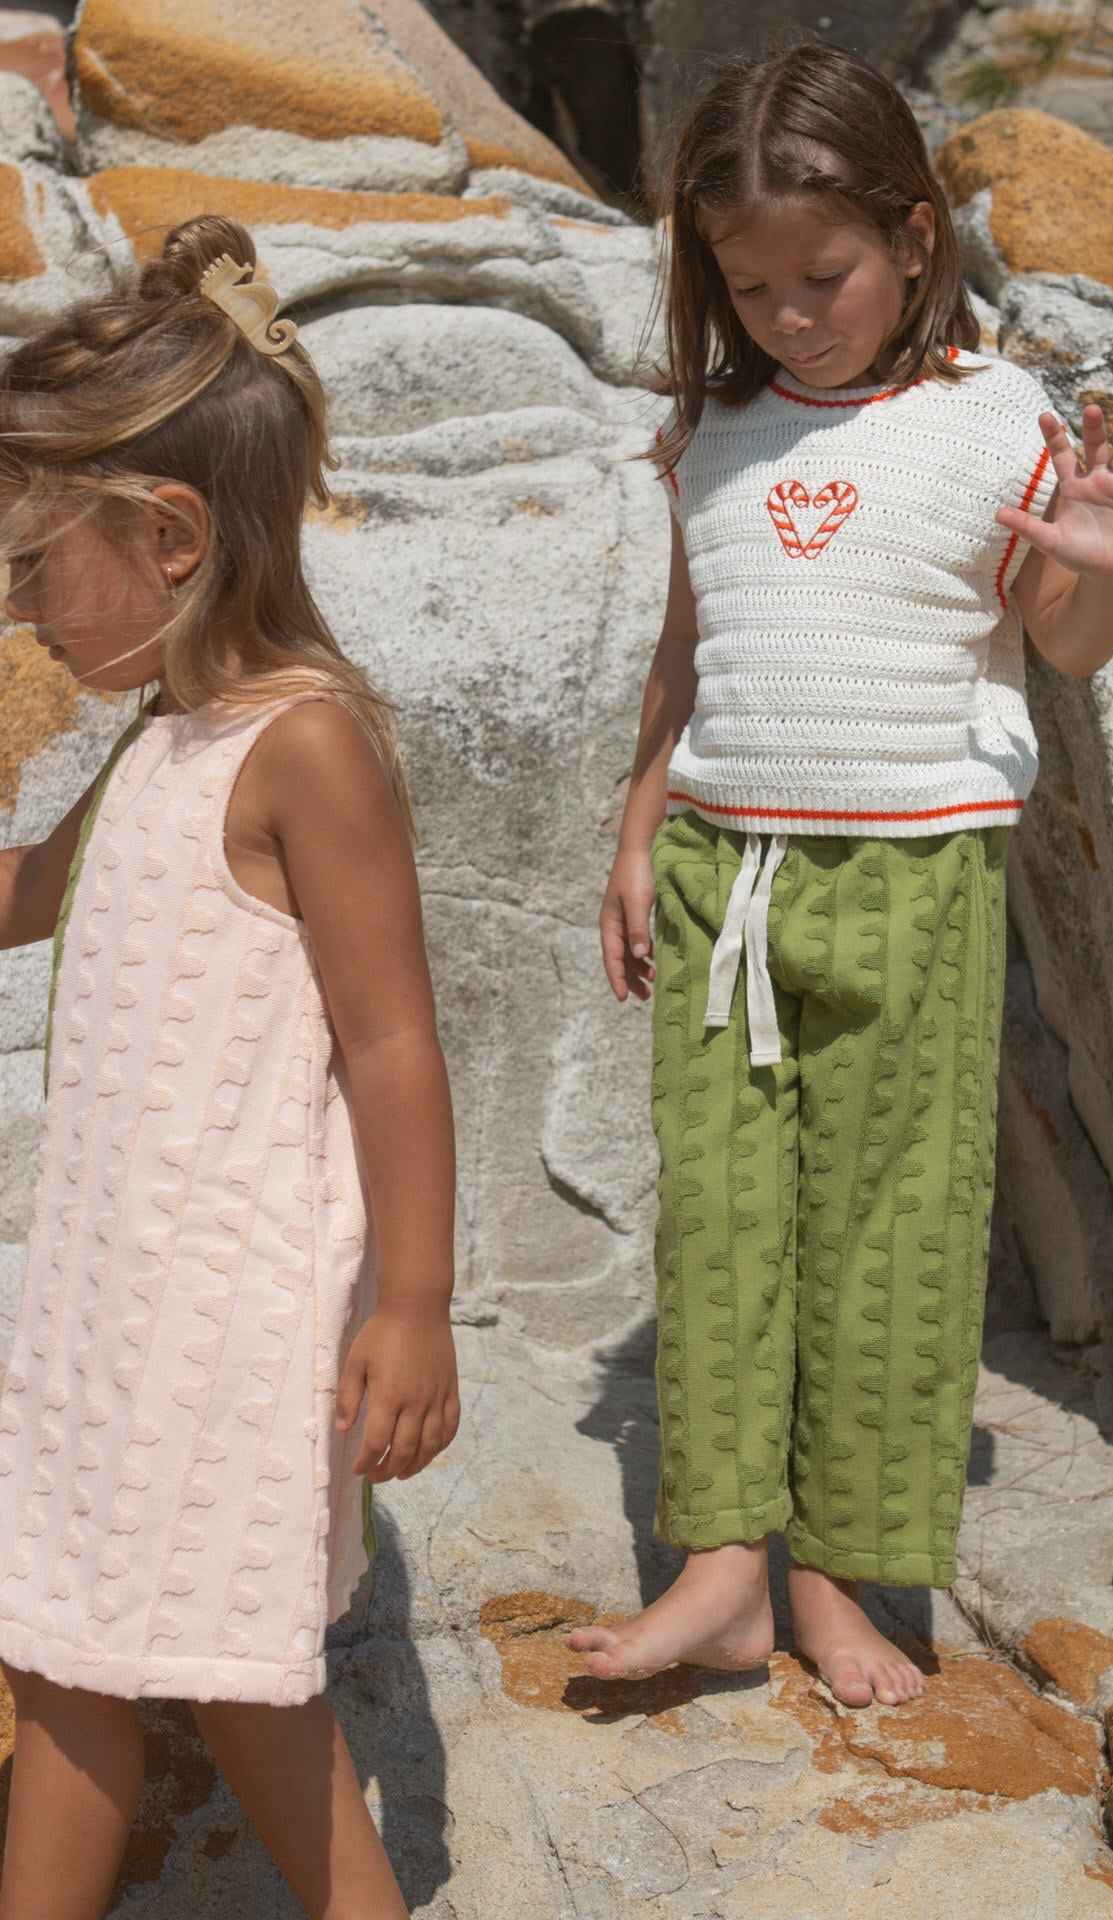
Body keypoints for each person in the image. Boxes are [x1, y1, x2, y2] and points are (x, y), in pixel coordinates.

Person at [569, 42, 1113, 1708]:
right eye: (746, 284)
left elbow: (1059, 637)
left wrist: (1108, 572)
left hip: (915, 888)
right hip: (719, 880)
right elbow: (684, 659)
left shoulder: (993, 422)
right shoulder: (718, 432)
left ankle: (840, 1574)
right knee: (723, 1223)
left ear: (914, 238)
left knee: (890, 1235)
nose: (785, 312)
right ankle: (721, 1573)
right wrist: (635, 837)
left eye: (819, 275)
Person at [0, 216, 458, 1920]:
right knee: (87, 1654)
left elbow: (396, 1042)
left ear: (172, 536)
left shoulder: (304, 743)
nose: (22, 608)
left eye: (36, 566)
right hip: (114, 1304)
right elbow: (36, 899)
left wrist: (410, 1299)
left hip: (225, 1314)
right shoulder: (157, 738)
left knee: (212, 1674)